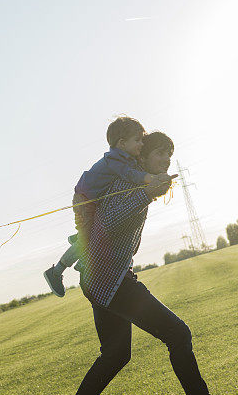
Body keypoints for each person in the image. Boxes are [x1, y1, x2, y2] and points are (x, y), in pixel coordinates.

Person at [50, 132, 238, 395]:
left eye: (169, 155)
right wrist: (147, 192)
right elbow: (109, 222)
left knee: (115, 355)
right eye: (160, 155)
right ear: (143, 159)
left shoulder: (137, 182)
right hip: (111, 281)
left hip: (101, 280)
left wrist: (149, 190)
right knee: (178, 333)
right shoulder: (127, 184)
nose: (166, 160)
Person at [43, 116, 170, 297]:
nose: (141, 144)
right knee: (86, 240)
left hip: (91, 198)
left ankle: (79, 242)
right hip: (85, 199)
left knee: (86, 236)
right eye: (138, 140)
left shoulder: (124, 158)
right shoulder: (117, 160)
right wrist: (151, 181)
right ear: (122, 143)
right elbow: (129, 175)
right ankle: (57, 271)